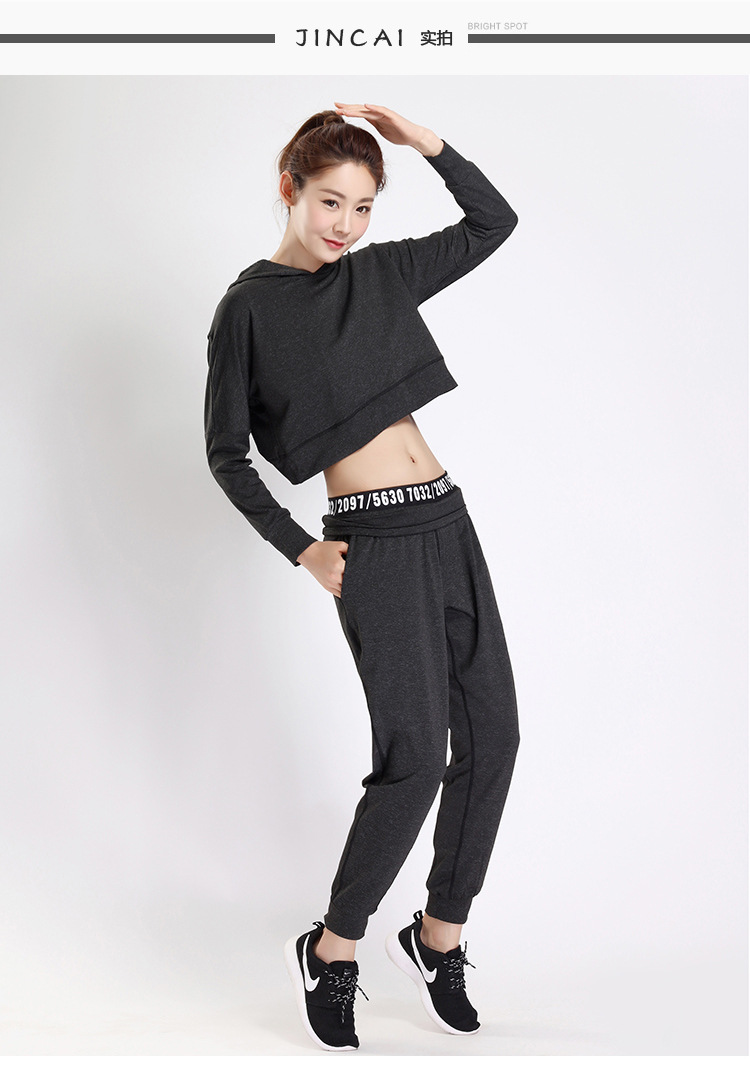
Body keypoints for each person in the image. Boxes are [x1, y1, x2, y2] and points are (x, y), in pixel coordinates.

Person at [204, 102, 521, 1052]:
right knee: (416, 756)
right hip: (372, 544)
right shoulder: (248, 309)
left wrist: (427, 144)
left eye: (364, 206)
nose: (345, 223)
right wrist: (301, 546)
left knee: (494, 737)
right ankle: (333, 947)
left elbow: (493, 223)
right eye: (330, 201)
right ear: (290, 189)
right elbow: (225, 452)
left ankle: (438, 935)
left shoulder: (380, 274)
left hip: (448, 520)